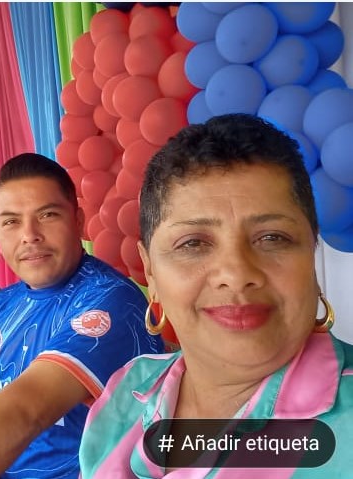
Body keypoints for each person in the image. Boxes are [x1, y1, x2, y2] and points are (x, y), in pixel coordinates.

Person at [79, 114, 353, 477]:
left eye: (272, 237)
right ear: (150, 271)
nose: (236, 276)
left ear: (311, 250)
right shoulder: (129, 388)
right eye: (193, 243)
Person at [0, 153, 164, 479]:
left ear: (78, 220)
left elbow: (24, 411)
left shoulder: (110, 301)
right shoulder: (3, 304)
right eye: (11, 222)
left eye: (48, 215)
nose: (29, 235)